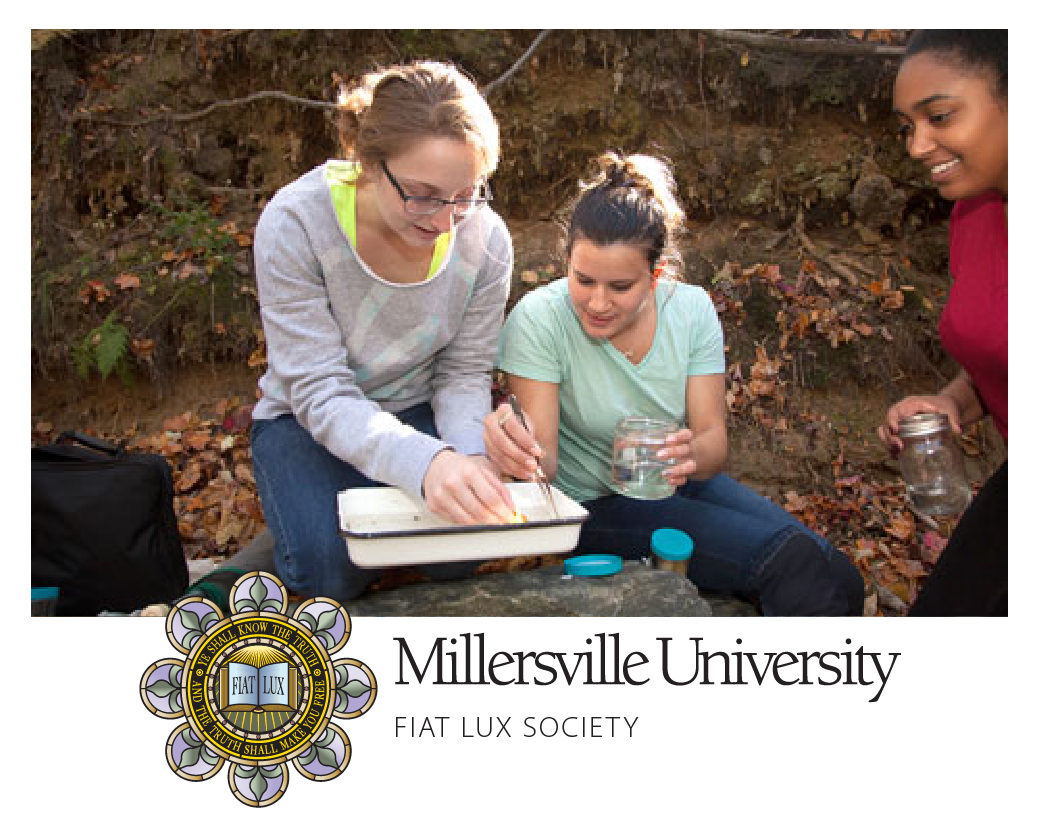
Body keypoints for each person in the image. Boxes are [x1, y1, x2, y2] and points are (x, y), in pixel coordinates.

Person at [484, 151, 865, 616]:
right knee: (789, 563)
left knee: (843, 576)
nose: (597, 303)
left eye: (620, 287)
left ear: (656, 274)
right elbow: (542, 466)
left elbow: (713, 443)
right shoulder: (540, 319)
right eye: (583, 280)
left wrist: (692, 456)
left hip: (673, 486)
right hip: (593, 507)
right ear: (566, 261)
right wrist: (512, 444)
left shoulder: (691, 310)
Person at [250, 61, 515, 602]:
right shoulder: (295, 224)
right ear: (369, 164)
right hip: (303, 421)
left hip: (417, 409)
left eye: (465, 194)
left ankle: (327, 508)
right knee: (331, 569)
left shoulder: (486, 240)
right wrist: (424, 464)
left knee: (461, 552)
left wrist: (466, 458)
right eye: (419, 194)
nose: (445, 221)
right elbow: (319, 392)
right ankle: (289, 528)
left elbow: (463, 373)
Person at [881, 30, 1007, 615]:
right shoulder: (974, 215)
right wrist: (953, 402)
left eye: (939, 116)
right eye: (909, 124)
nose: (917, 144)